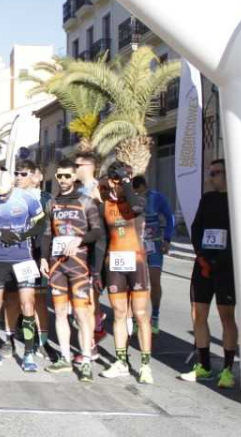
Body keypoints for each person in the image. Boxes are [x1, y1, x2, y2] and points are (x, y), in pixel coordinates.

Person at [0, 171, 47, 372]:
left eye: (5, 194)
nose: (2, 197)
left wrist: (24, 235)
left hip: (23, 259)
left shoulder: (27, 198)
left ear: (12, 186)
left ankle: (28, 355)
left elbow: (42, 224)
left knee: (27, 304)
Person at [43, 158, 104, 383]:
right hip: (57, 265)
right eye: (59, 176)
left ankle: (86, 360)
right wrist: (43, 258)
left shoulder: (87, 202)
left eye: (67, 175)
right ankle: (65, 358)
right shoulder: (52, 203)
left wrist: (80, 240)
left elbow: (97, 232)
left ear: (74, 177)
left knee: (81, 314)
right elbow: (47, 234)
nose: (63, 179)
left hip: (79, 267)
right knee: (60, 313)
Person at [180, 159, 238, 389]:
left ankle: (227, 370)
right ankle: (203, 365)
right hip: (203, 264)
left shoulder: (237, 200)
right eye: (210, 172)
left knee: (226, 317)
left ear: (227, 174)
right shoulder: (207, 198)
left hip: (226, 267)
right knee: (198, 313)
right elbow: (197, 228)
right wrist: (201, 256)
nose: (211, 177)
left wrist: (221, 260)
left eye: (215, 173)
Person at [96, 163, 154, 384]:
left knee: (140, 314)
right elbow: (102, 240)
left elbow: (136, 207)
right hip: (114, 265)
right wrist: (96, 272)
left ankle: (145, 366)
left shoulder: (138, 199)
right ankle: (121, 362)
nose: (120, 182)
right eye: (117, 179)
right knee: (119, 314)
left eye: (124, 178)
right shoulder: (105, 205)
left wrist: (126, 181)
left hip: (136, 262)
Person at [15, 159, 53, 356]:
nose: (18, 177)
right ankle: (17, 334)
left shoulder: (46, 199)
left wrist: (46, 256)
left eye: (23, 174)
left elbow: (51, 228)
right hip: (16, 255)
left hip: (37, 255)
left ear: (34, 177)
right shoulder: (10, 197)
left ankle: (43, 341)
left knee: (38, 299)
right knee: (17, 298)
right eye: (16, 173)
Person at [132, 175, 175, 333]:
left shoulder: (157, 197)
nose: (139, 195)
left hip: (154, 245)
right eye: (136, 193)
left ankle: (155, 316)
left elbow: (170, 217)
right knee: (137, 283)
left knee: (155, 281)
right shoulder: (131, 198)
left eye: (140, 191)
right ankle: (135, 318)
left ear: (144, 186)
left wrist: (167, 239)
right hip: (136, 246)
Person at [73, 150, 107, 347]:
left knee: (90, 296)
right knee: (82, 297)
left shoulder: (99, 188)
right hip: (78, 249)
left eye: (77, 166)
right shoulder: (77, 190)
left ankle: (91, 342)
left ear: (89, 167)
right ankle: (96, 325)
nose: (74, 169)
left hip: (96, 249)